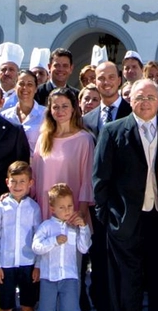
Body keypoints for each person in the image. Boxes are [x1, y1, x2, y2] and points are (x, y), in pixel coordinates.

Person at [93, 79, 158, 311]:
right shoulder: (112, 131)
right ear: (130, 100)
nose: (145, 102)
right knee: (126, 286)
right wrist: (108, 217)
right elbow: (101, 178)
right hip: (125, 220)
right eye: (140, 97)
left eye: (151, 97)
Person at [31, 88, 95, 219]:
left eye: (65, 106)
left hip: (71, 211)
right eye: (55, 107)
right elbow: (34, 176)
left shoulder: (84, 139)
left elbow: (87, 180)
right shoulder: (43, 138)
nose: (60, 111)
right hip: (45, 207)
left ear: (73, 108)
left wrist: (82, 213)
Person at [0, 162, 41, 311]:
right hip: (5, 264)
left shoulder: (34, 207)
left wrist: (37, 265)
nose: (17, 185)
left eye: (22, 181)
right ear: (7, 182)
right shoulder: (0, 207)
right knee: (6, 305)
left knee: (28, 304)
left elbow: (38, 238)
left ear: (30, 183)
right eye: (14, 181)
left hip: (28, 262)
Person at [31, 183, 92, 311]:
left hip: (69, 277)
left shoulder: (75, 227)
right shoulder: (46, 226)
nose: (67, 210)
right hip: (48, 277)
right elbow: (36, 247)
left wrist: (84, 227)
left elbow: (84, 248)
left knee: (71, 307)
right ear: (52, 209)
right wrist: (54, 241)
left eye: (70, 206)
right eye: (62, 207)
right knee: (46, 308)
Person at [82, 62, 131, 133]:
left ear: (119, 81)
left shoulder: (133, 113)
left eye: (111, 77)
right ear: (95, 82)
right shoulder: (86, 120)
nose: (106, 82)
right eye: (101, 78)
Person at [4, 70, 47, 148]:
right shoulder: (5, 116)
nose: (25, 88)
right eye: (21, 84)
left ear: (36, 89)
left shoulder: (46, 114)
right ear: (15, 87)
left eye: (30, 84)